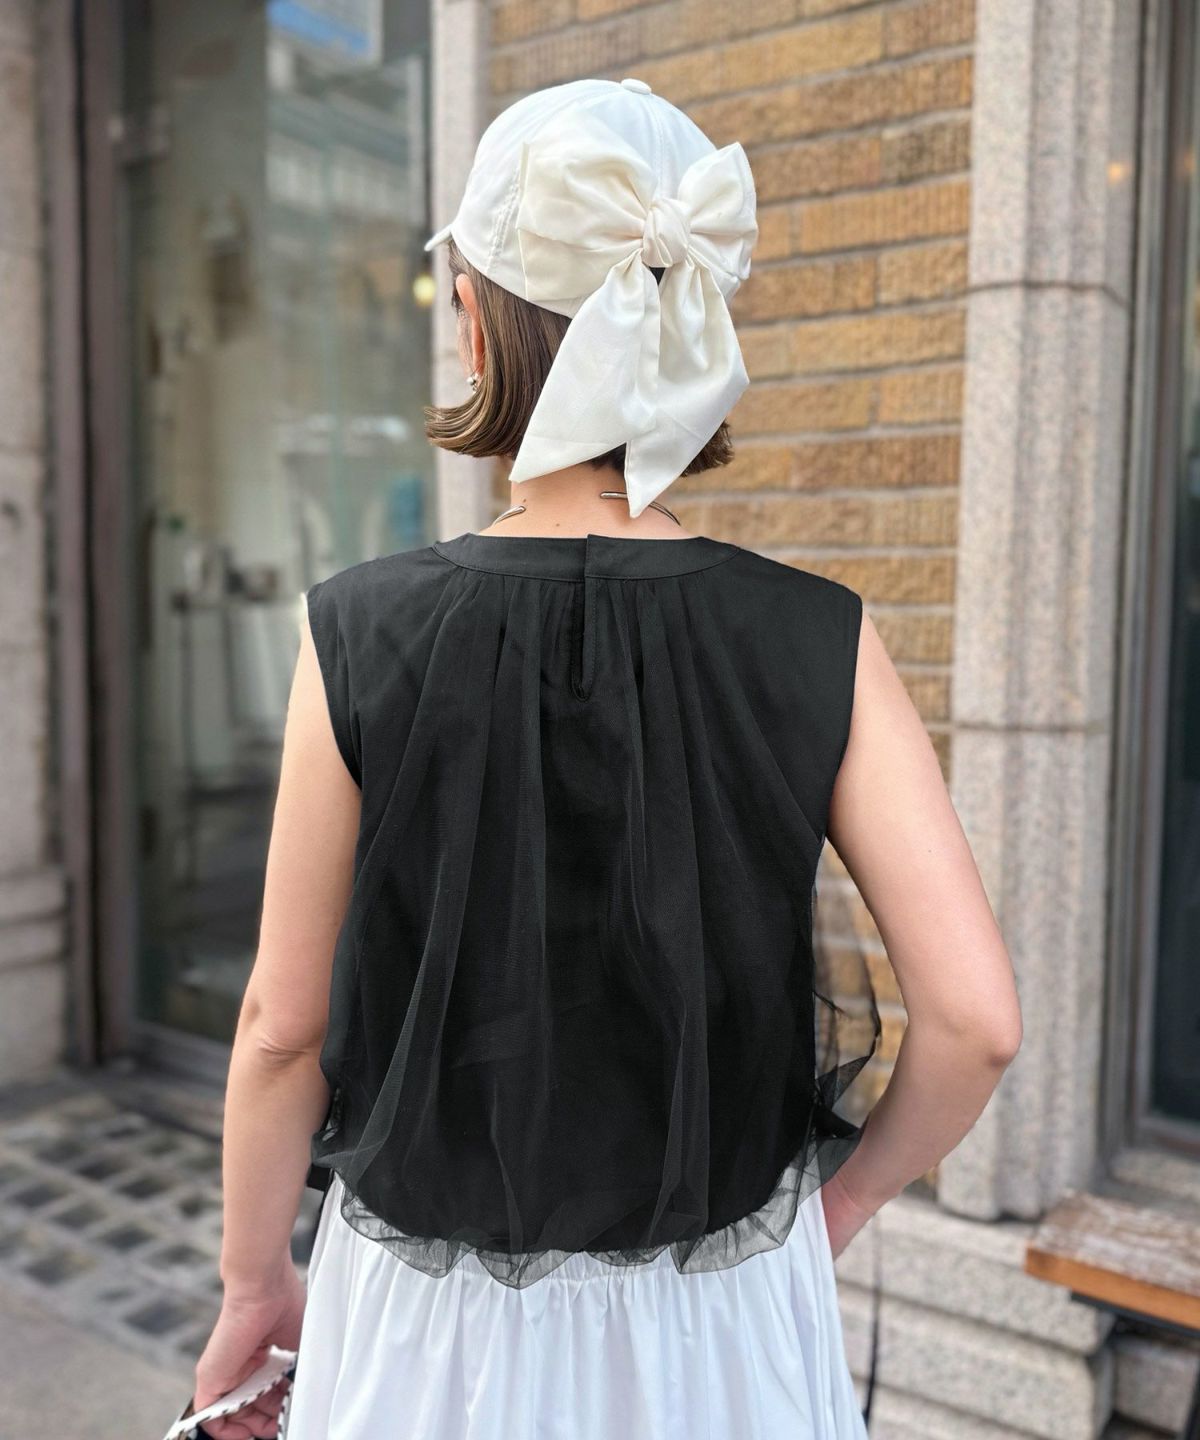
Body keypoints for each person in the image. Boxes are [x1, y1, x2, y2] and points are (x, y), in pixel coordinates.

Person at [189, 77, 1023, 1440]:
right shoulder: (818, 633)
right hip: (724, 1322)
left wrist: (251, 1284)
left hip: (428, 1329)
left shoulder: (358, 630)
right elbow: (978, 1020)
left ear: (473, 320)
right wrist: (843, 1209)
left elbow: (284, 1030)